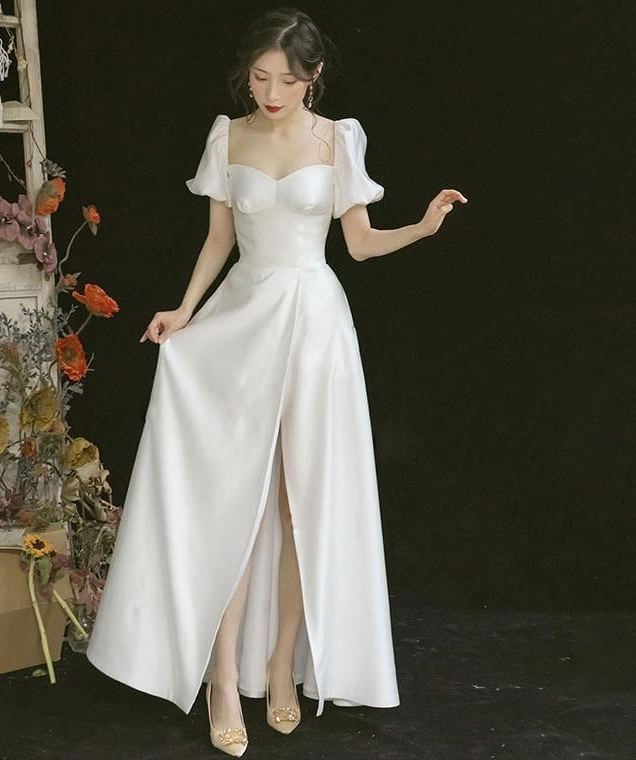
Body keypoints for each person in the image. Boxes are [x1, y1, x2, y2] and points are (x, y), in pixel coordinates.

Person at [86, 7, 467, 756]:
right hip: (244, 320)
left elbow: (358, 246)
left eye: (286, 81)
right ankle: (223, 677)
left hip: (317, 326)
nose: (269, 93)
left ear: (313, 77)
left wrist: (422, 228)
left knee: (300, 506)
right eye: (259, 78)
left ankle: (282, 666)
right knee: (239, 500)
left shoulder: (339, 138)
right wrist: (183, 310)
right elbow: (219, 240)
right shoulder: (227, 137)